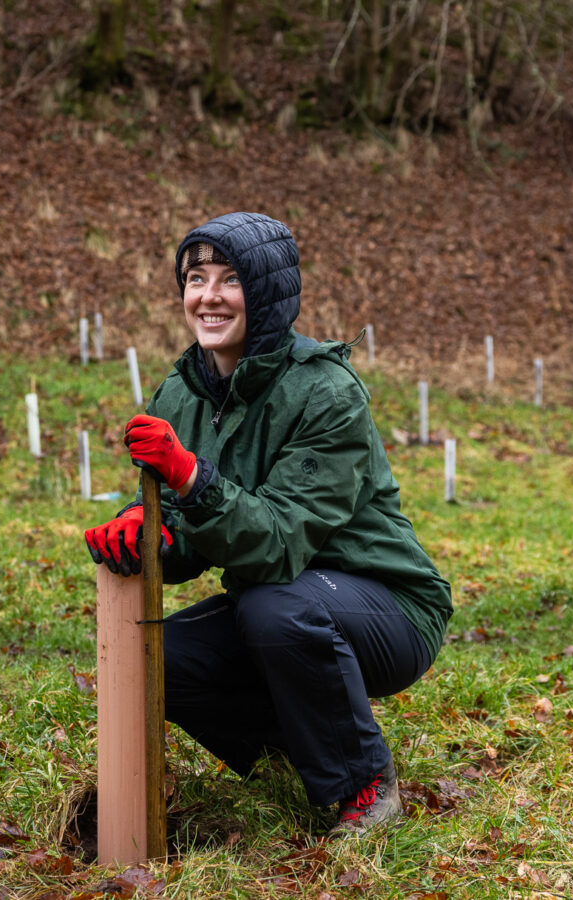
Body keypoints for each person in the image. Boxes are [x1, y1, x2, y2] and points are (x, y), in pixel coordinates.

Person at [85, 211, 452, 834]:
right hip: (278, 599)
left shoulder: (327, 392)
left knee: (273, 606)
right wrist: (141, 530)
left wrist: (190, 477)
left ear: (268, 294)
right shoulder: (182, 391)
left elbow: (278, 542)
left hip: (389, 607)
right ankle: (293, 754)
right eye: (195, 278)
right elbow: (185, 531)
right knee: (158, 656)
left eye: (231, 280)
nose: (209, 296)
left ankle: (364, 783)